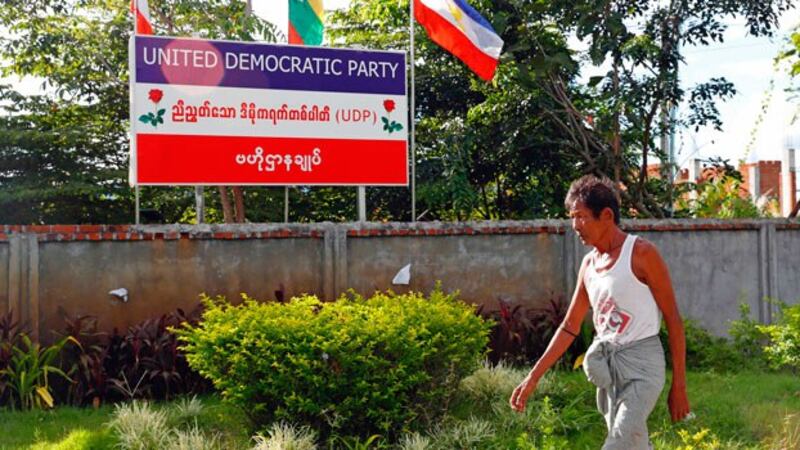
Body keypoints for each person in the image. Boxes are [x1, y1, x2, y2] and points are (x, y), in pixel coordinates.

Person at [509, 175, 690, 449]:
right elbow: (569, 326)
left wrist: (680, 386)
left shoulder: (641, 254)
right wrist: (533, 377)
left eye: (581, 216)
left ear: (606, 215)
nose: (575, 225)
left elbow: (674, 320)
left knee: (618, 442)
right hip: (607, 368)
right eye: (572, 217)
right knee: (634, 443)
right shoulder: (589, 265)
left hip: (643, 365)